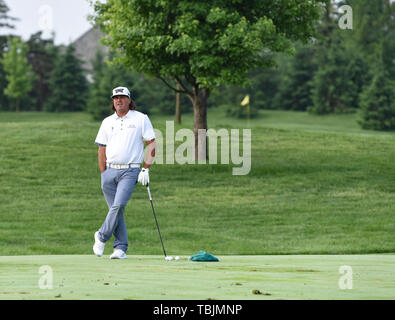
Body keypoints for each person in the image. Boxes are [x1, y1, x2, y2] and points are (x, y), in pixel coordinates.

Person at [93, 86, 156, 259]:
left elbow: (151, 144)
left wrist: (145, 168)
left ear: (129, 100)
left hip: (130, 170)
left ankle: (101, 236)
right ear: (113, 101)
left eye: (122, 97)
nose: (118, 100)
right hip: (109, 171)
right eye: (115, 98)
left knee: (119, 205)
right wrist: (103, 173)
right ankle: (120, 248)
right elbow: (101, 148)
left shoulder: (141, 119)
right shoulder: (107, 122)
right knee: (115, 210)